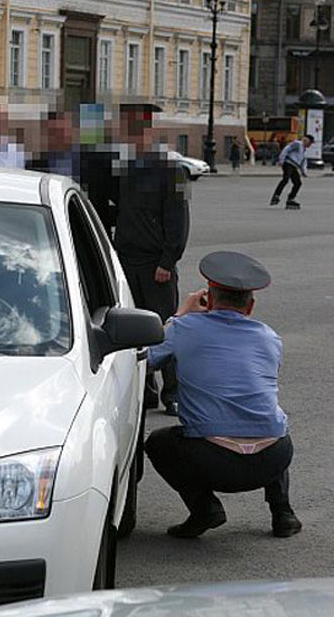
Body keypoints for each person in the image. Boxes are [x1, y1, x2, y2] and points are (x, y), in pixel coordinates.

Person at [145, 250, 301, 539]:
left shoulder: (184, 327)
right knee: (269, 420)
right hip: (273, 457)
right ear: (250, 306)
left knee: (158, 442)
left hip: (212, 460)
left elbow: (147, 357)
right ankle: (283, 513)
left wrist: (181, 314)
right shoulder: (270, 337)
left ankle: (204, 508)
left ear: (209, 299)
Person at [114, 103, 190, 416]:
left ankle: (174, 393)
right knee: (133, 331)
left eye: (135, 128)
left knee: (164, 329)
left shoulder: (172, 169)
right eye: (126, 128)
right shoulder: (124, 166)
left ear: (149, 131)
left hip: (156, 264)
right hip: (126, 259)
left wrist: (168, 261)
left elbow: (179, 219)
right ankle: (146, 392)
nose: (129, 135)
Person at [270, 134, 314, 210]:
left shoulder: (303, 149)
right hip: (288, 163)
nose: (310, 145)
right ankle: (276, 195)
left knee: (298, 183)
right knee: (286, 179)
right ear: (306, 140)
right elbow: (286, 149)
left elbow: (303, 162)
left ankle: (291, 199)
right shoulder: (298, 144)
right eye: (310, 143)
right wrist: (281, 160)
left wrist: (304, 172)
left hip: (294, 166)